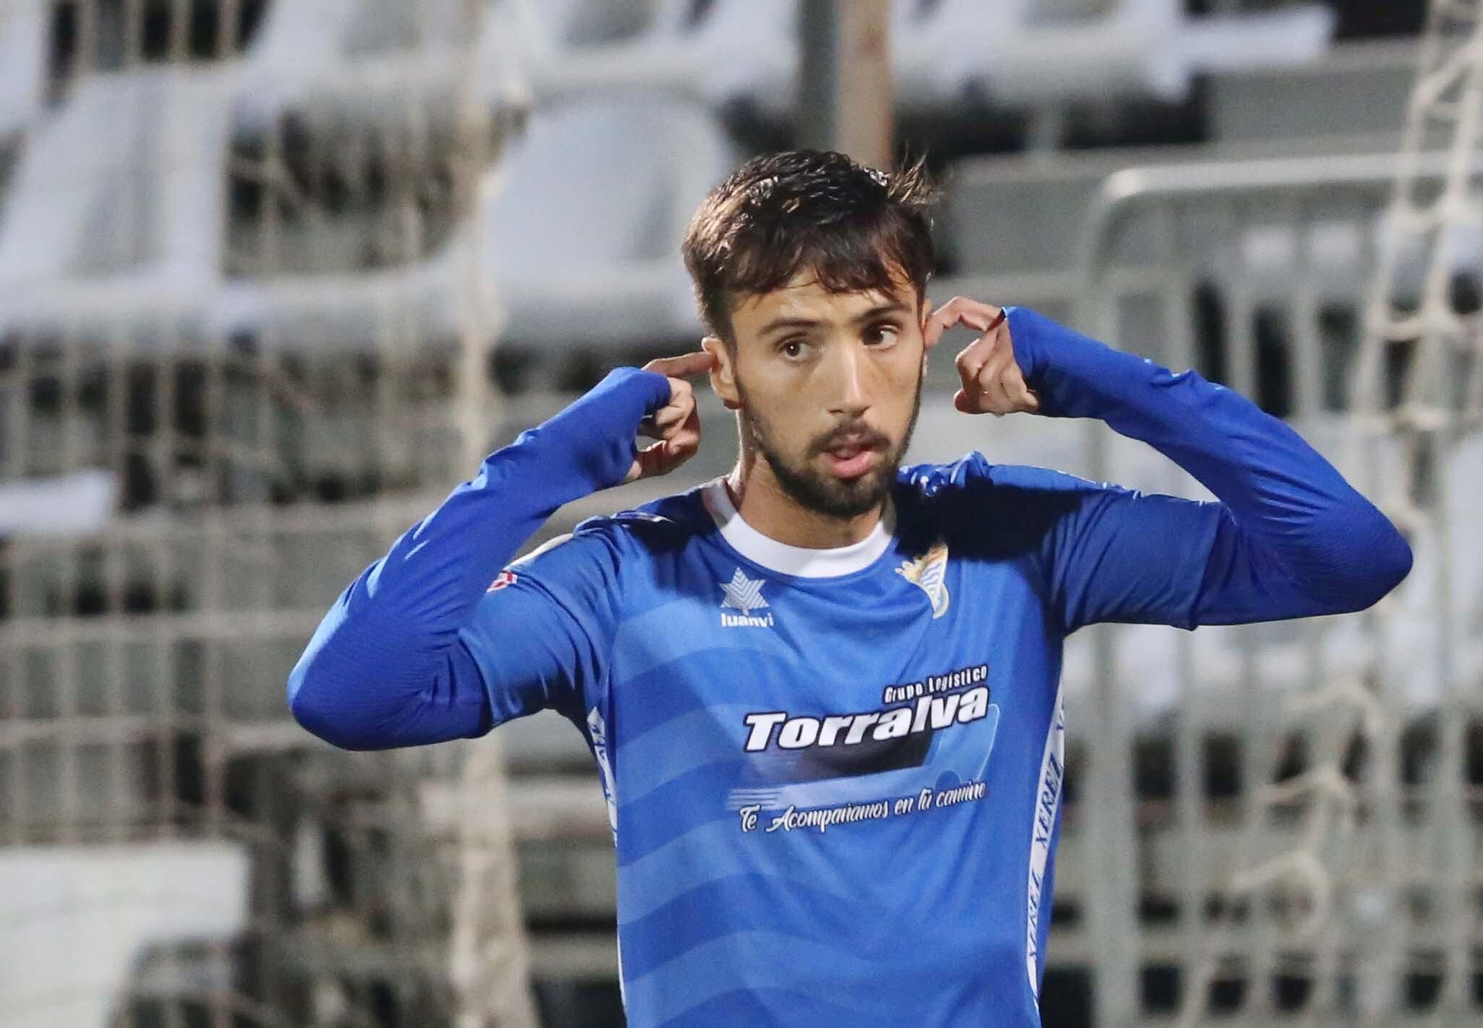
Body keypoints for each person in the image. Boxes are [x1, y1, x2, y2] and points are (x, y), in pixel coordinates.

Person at [288, 149, 1411, 1026]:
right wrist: (550, 461)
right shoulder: (620, 583)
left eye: (878, 333)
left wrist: (1107, 379)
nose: (848, 388)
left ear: (922, 335)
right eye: (792, 345)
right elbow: (351, 691)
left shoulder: (1013, 539)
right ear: (718, 367)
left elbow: (1347, 553)